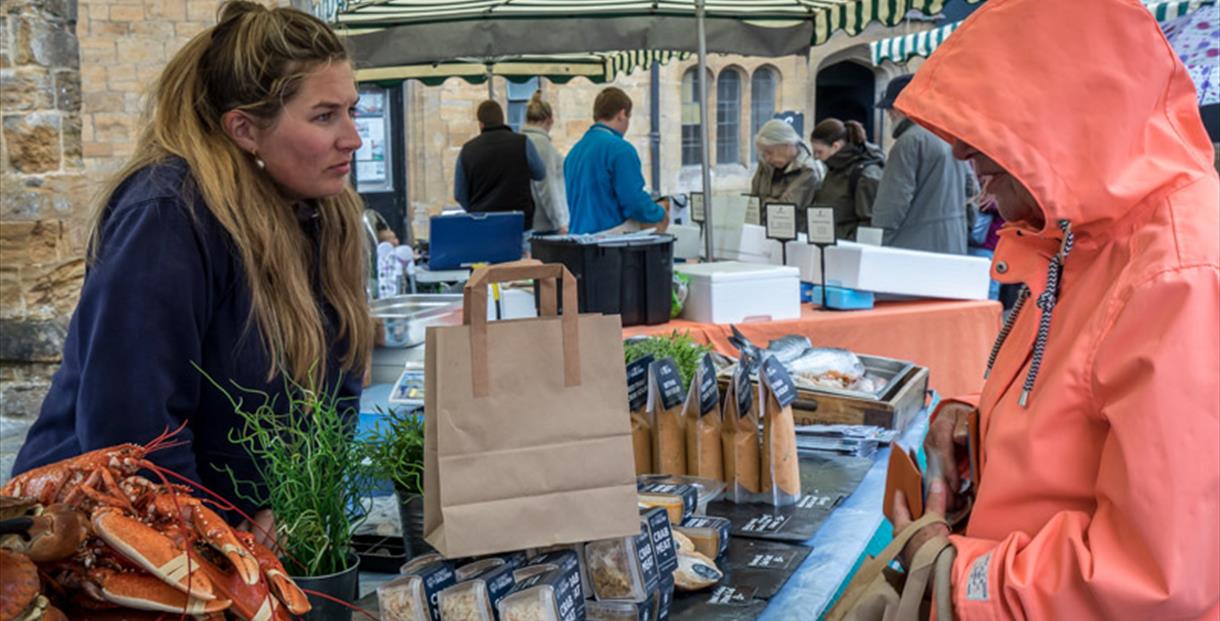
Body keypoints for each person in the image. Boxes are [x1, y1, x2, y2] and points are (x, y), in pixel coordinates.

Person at [886, 0, 1219, 618]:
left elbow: (1154, 578)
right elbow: (1076, 413)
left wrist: (959, 574)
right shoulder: (1088, 235)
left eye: (988, 143)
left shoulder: (1180, 273)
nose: (969, 165)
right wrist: (976, 429)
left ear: (1063, 116)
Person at [10, 1, 373, 538]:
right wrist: (222, 535)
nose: (353, 138)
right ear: (245, 129)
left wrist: (298, 502)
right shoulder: (168, 215)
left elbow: (339, 388)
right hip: (98, 537)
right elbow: (131, 432)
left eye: (352, 110)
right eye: (325, 116)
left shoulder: (324, 212)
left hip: (245, 536)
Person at [871, 74, 973, 254]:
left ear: (903, 107)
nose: (889, 114)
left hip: (912, 248)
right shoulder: (949, 137)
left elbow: (893, 200)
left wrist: (878, 237)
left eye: (891, 108)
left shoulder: (909, 141)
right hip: (953, 243)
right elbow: (972, 190)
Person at [564, 87, 667, 235]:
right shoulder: (621, 150)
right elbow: (634, 203)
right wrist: (660, 211)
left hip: (577, 241)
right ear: (622, 114)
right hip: (609, 244)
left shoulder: (573, 152)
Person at [454, 100, 546, 230]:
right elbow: (540, 173)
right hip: (520, 223)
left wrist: (475, 211)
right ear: (503, 119)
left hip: (484, 225)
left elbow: (459, 193)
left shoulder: (467, 150)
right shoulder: (522, 143)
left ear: (480, 124)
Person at [810, 118, 884, 240]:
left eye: (819, 152)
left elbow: (869, 222)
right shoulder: (835, 167)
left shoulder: (865, 173)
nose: (816, 157)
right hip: (832, 244)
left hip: (849, 249)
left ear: (835, 146)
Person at [750, 119, 825, 235]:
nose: (767, 158)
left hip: (792, 240)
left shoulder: (808, 171)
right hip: (761, 234)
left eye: (770, 152)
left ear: (787, 145)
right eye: (763, 154)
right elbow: (752, 204)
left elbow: (784, 211)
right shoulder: (765, 165)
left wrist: (764, 203)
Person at [521, 91, 569, 235]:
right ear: (549, 120)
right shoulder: (542, 145)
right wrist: (560, 222)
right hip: (545, 225)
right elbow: (547, 186)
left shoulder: (521, 140)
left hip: (528, 221)